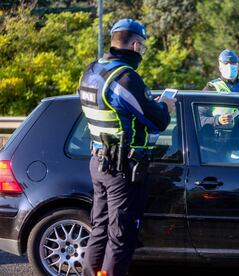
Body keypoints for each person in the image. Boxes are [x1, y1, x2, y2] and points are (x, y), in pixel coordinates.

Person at [78, 18, 176, 276]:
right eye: (142, 48)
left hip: (98, 160)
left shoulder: (92, 70)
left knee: (99, 227)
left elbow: (119, 108)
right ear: (135, 45)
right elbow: (158, 121)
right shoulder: (124, 77)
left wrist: (145, 105)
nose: (142, 52)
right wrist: (164, 105)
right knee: (121, 235)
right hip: (121, 168)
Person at [201, 49, 239, 127]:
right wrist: (218, 120)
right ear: (220, 67)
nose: (229, 66)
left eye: (233, 63)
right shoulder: (211, 87)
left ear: (238, 66)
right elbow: (199, 118)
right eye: (226, 63)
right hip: (223, 137)